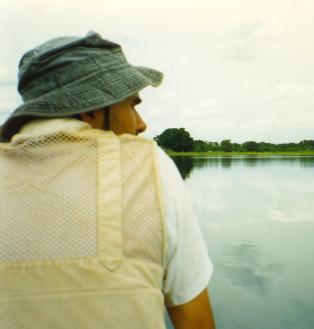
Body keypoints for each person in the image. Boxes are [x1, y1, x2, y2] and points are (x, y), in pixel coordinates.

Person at [0, 31, 215, 329]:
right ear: (91, 107)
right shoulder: (152, 166)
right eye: (132, 104)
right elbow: (197, 323)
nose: (141, 124)